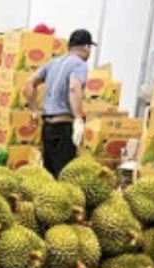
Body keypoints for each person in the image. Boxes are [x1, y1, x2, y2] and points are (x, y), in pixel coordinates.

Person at [24, 28, 95, 177]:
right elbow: (74, 88)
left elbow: (30, 82)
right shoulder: (79, 65)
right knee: (64, 176)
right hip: (63, 128)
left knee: (49, 176)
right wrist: (77, 118)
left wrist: (34, 111)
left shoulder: (53, 63)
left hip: (47, 127)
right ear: (87, 47)